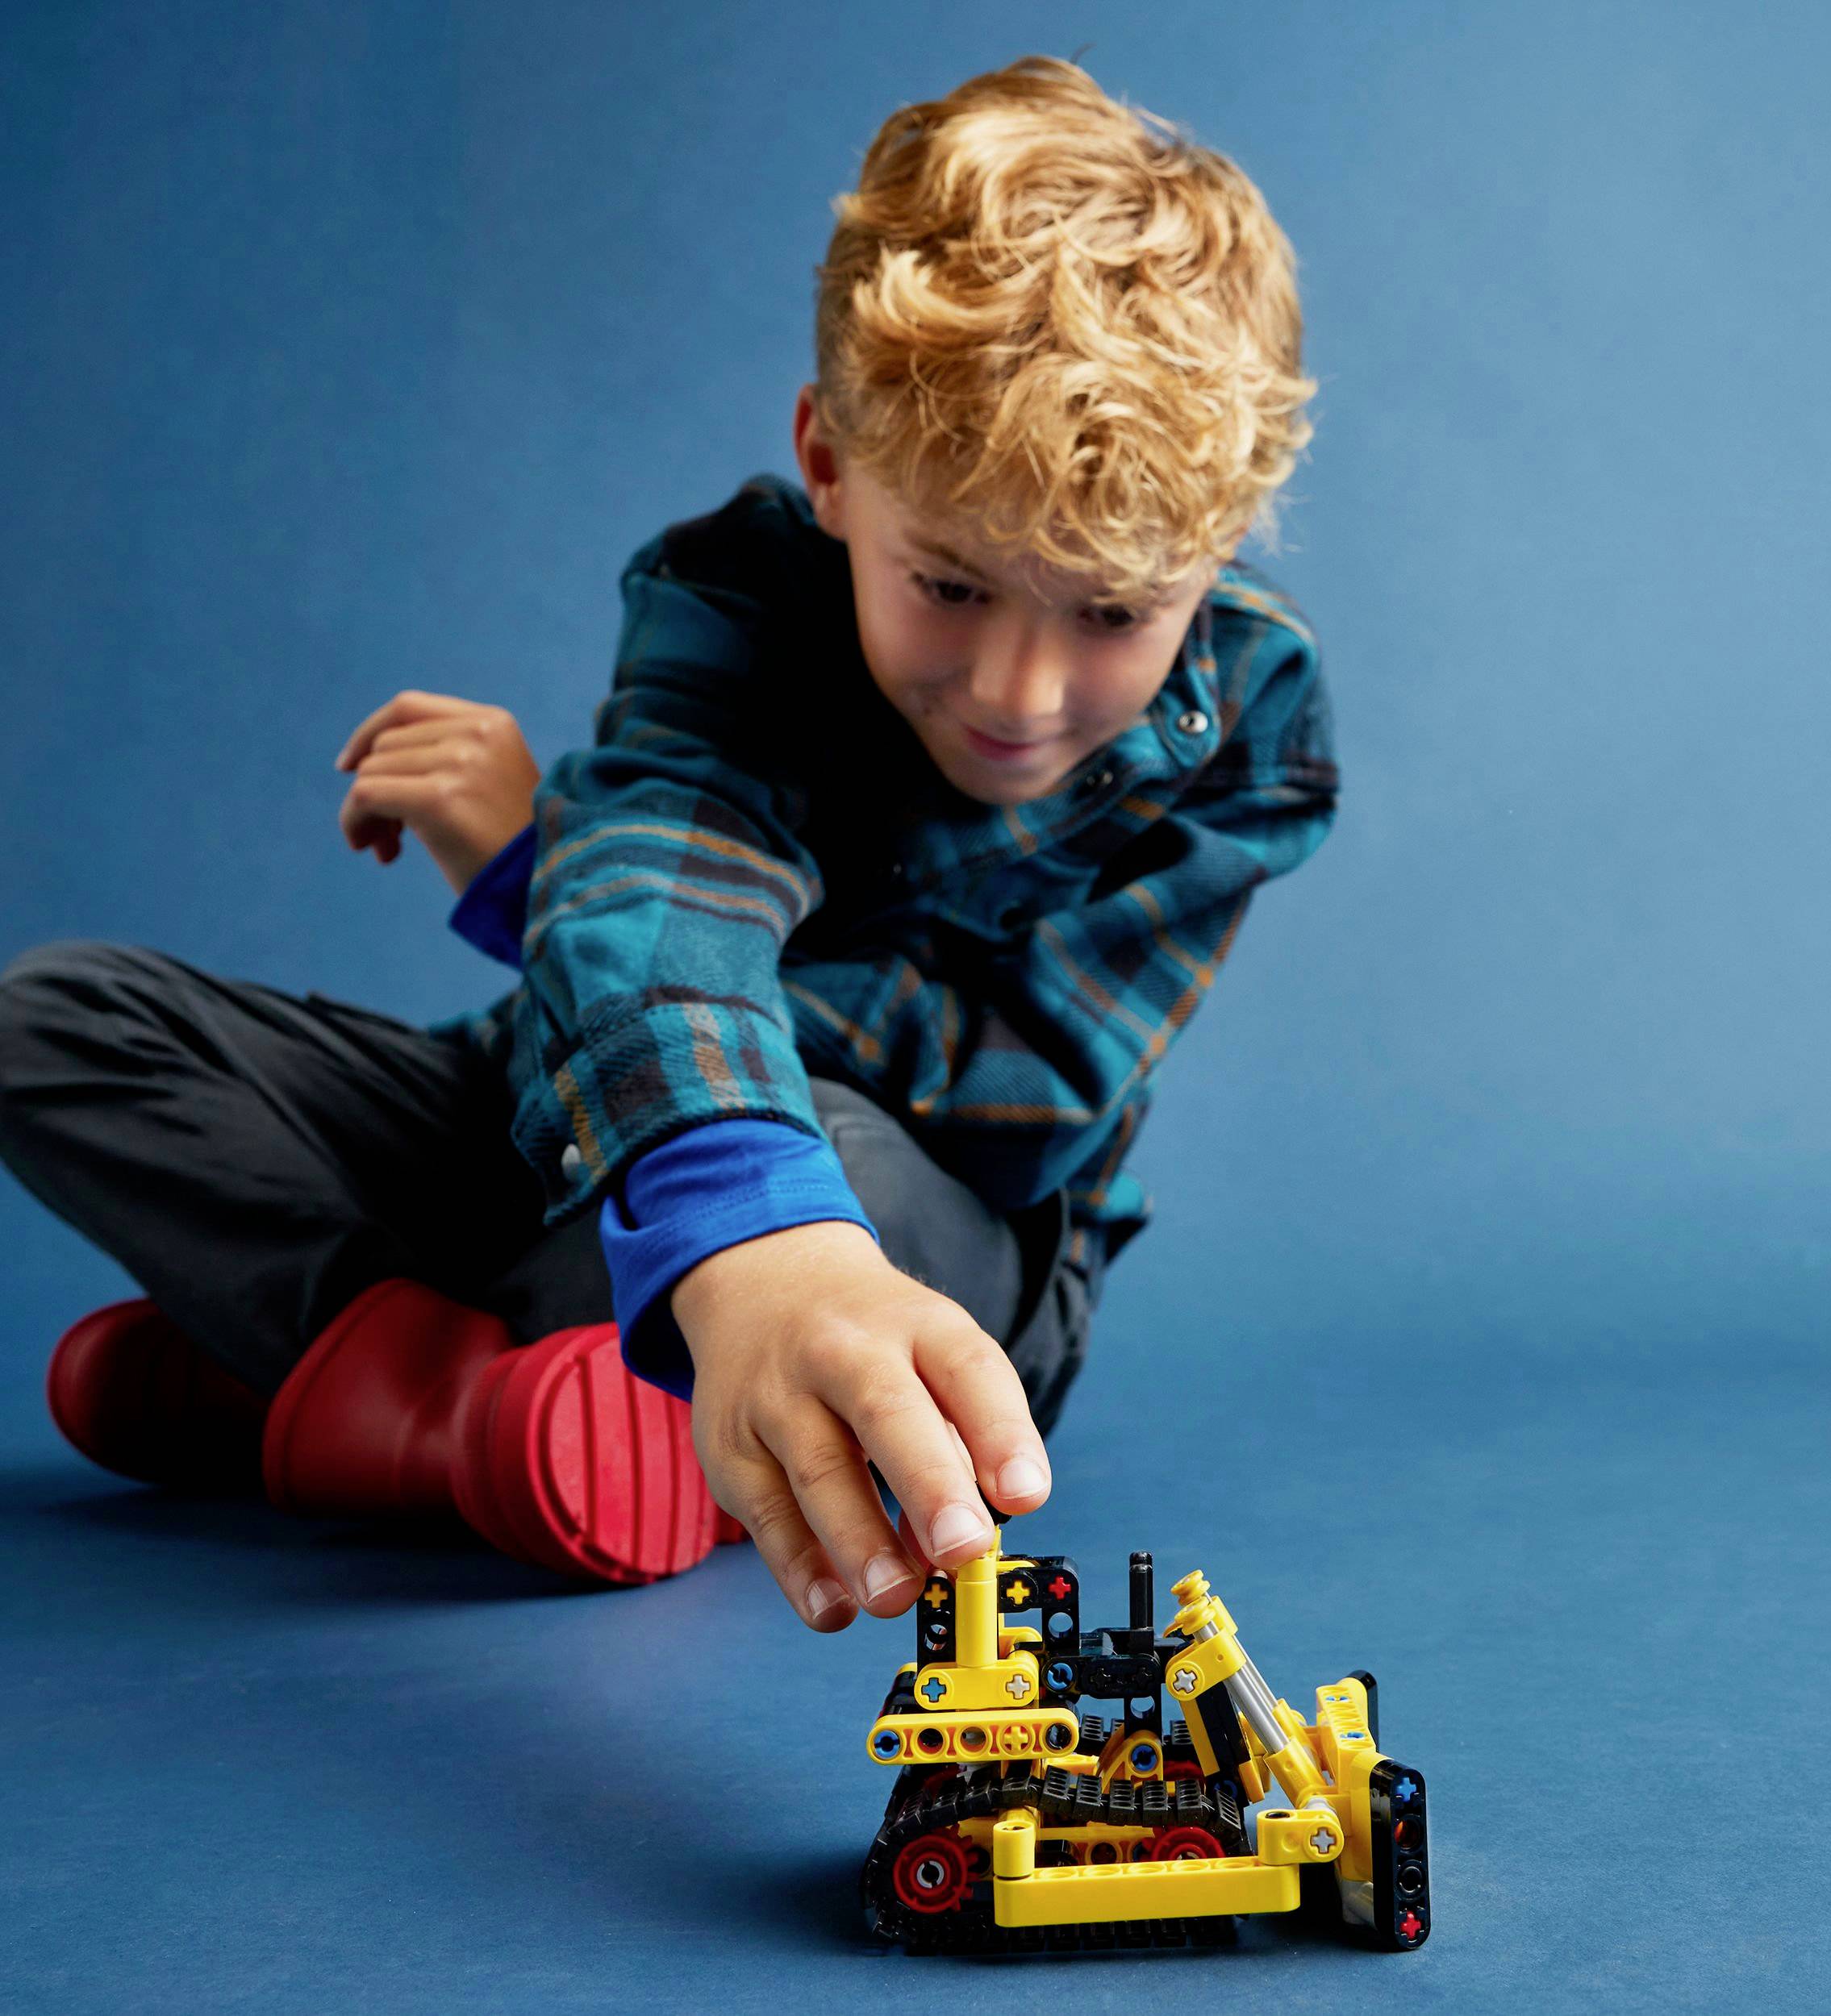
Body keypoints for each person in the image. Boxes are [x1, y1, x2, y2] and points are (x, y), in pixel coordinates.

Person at [0, 55, 1337, 1630]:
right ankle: (412, 1391)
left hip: (916, 1231)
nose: (1015, 690)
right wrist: (595, 916)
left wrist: (532, 883)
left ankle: (316, 1372)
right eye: (953, 585)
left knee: (806, 1163)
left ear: (1221, 542)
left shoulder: (1253, 722)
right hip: (576, 1126)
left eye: (1112, 614)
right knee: (54, 1019)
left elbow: (1013, 1090)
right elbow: (665, 869)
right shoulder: (736, 596)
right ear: (832, 469)